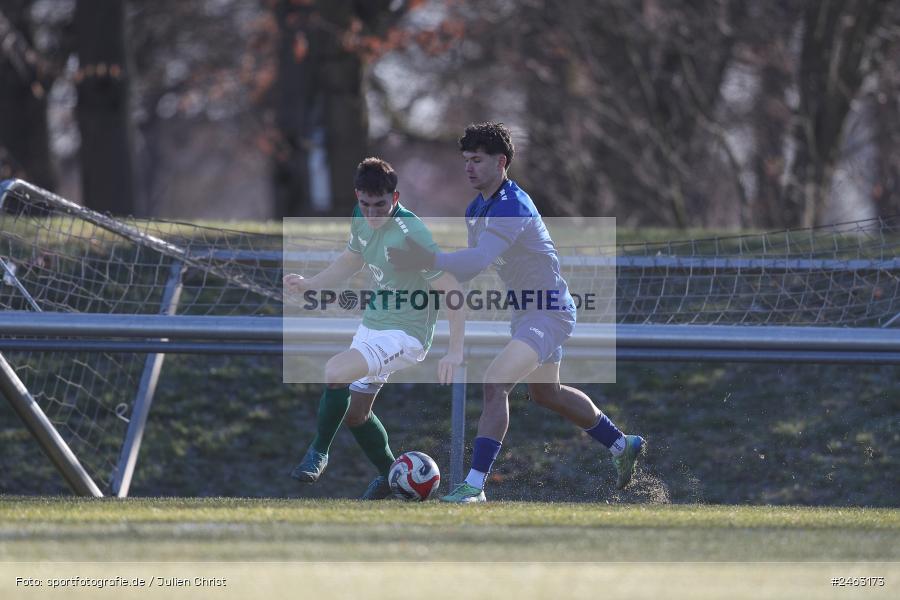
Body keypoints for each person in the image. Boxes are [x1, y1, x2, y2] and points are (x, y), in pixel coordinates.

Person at [388, 122, 644, 503]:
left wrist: (426, 258)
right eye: (466, 160)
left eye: (477, 160)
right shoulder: (476, 209)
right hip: (527, 315)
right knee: (546, 394)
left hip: (550, 312)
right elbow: (471, 268)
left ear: (501, 162)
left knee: (495, 383)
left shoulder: (513, 205)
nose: (469, 168)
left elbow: (479, 257)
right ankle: (622, 444)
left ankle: (474, 487)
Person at [284, 157, 464, 499]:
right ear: (357, 196)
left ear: (395, 198)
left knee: (336, 370)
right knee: (355, 415)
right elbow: (351, 260)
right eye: (365, 204)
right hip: (374, 324)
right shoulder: (360, 218)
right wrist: (311, 284)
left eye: (381, 205)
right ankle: (392, 477)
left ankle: (318, 453)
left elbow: (452, 289)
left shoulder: (412, 235)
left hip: (406, 335)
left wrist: (455, 351)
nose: (372, 213)